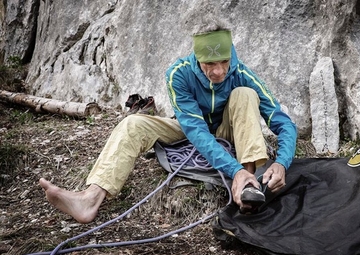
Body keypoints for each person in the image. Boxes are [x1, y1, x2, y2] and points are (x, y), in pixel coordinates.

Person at [39, 16, 297, 224]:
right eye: (210, 63)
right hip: (188, 128)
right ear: (197, 58)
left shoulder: (241, 74)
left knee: (244, 94)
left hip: (228, 129)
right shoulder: (179, 74)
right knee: (133, 123)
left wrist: (283, 162)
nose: (218, 71)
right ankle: (90, 198)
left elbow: (283, 122)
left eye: (224, 62)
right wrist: (233, 169)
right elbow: (195, 130)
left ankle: (248, 187)